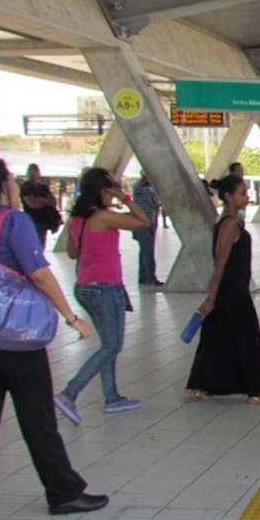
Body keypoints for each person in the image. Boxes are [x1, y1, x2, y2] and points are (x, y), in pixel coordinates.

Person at [0, 158, 106, 520]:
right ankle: (64, 493)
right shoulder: (13, 222)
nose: (16, 186)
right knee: (38, 421)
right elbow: (39, 274)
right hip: (15, 340)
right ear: (1, 187)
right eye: (11, 180)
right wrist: (72, 317)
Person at [53, 168, 151, 425]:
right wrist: (125, 198)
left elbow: (73, 253)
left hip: (84, 287)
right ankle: (69, 394)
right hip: (105, 288)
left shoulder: (77, 218)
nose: (113, 193)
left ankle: (112, 397)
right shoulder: (103, 216)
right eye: (110, 188)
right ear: (102, 191)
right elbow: (144, 222)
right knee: (112, 345)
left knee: (108, 344)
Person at [184, 175, 260, 406]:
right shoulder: (228, 225)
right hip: (231, 292)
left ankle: (198, 385)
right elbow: (220, 263)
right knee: (248, 337)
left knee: (215, 337)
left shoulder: (232, 222)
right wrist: (211, 297)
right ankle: (257, 391)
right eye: (242, 193)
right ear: (228, 196)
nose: (247, 197)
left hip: (231, 289)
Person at [131, 173, 163, 286]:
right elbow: (154, 203)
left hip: (150, 222)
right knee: (148, 252)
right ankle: (150, 278)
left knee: (145, 251)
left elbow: (156, 205)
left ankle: (143, 276)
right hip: (142, 223)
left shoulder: (150, 189)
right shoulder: (139, 187)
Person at [19, 163, 61, 246]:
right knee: (33, 245)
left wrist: (38, 199)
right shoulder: (25, 188)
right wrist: (45, 201)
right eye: (31, 173)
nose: (33, 176)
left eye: (35, 173)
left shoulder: (43, 187)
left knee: (41, 245)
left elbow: (53, 202)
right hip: (32, 221)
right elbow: (32, 205)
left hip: (43, 221)